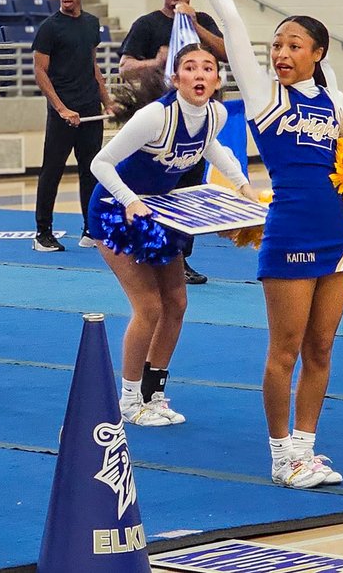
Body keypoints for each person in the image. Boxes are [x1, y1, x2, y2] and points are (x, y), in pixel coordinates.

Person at [197, 0, 343, 489]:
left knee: (321, 348)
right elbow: (234, 26)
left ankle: (306, 449)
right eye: (279, 44)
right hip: (287, 232)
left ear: (318, 54)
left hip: (338, 237)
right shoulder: (266, 95)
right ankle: (279, 453)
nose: (282, 52)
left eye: (295, 45)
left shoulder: (335, 101)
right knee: (284, 350)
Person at [90, 42, 256, 426]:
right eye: (191, 68)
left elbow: (214, 150)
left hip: (162, 213)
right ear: (176, 77)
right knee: (148, 307)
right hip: (117, 211)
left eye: (208, 68)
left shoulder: (214, 114)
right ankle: (129, 401)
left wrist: (245, 191)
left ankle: (154, 391)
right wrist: (130, 201)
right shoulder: (154, 117)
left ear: (217, 79)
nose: (200, 75)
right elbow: (102, 163)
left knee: (176, 303)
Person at [119, 0, 229, 284]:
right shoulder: (147, 24)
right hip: (161, 121)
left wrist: (194, 24)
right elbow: (124, 68)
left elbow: (224, 53)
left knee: (190, 189)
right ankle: (148, 251)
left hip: (198, 119)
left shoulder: (202, 21)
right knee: (157, 186)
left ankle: (181, 258)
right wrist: (155, 62)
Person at [32, 0, 116, 251]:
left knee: (91, 171)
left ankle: (90, 230)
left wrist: (107, 100)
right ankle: (43, 233)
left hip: (90, 109)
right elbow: (40, 72)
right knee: (52, 171)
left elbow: (93, 65)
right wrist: (61, 108)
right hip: (63, 115)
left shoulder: (92, 24)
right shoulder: (49, 28)